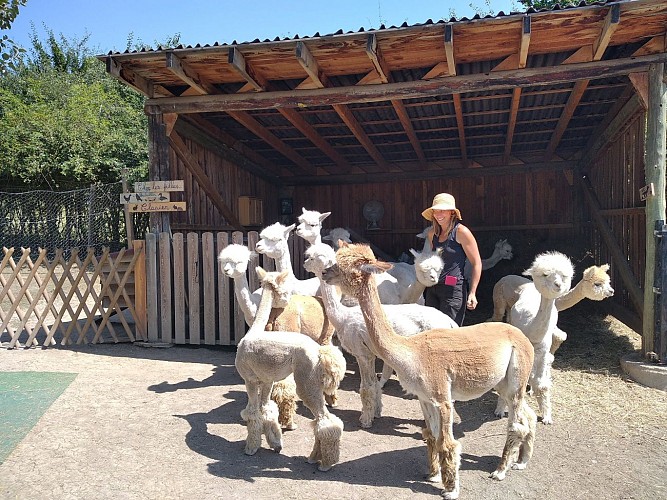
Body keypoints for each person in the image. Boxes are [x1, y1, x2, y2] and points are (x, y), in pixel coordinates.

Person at [420, 193, 482, 326]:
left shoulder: (461, 232)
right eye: (436, 211)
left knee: (449, 333)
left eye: (442, 210)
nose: (438, 214)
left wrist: (472, 292)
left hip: (453, 289)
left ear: (452, 213)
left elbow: (476, 263)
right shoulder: (432, 234)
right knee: (430, 330)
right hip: (433, 288)